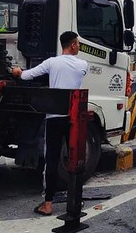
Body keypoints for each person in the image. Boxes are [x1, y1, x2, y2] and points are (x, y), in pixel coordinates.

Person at [11, 31, 88, 216]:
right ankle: (76, 199)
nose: (78, 46)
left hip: (54, 117)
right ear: (73, 45)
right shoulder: (84, 64)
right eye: (77, 43)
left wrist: (17, 72)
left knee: (51, 160)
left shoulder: (51, 62)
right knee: (76, 158)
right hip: (74, 118)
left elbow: (26, 76)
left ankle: (48, 204)